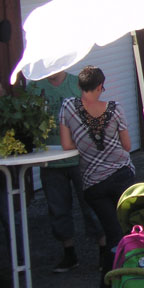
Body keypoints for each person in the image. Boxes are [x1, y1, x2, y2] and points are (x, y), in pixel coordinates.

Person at [59, 66, 135, 288]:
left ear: (80, 85)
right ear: (101, 86)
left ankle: (107, 283)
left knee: (111, 230)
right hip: (121, 174)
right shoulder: (115, 109)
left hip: (93, 181)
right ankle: (128, 278)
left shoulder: (68, 108)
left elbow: (67, 146)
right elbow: (128, 146)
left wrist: (87, 148)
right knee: (128, 228)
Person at [27, 71, 105, 273]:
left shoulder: (77, 84)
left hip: (79, 157)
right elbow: (28, 119)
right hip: (49, 159)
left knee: (90, 203)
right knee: (58, 208)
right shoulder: (35, 87)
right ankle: (69, 253)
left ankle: (104, 251)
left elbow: (94, 111)